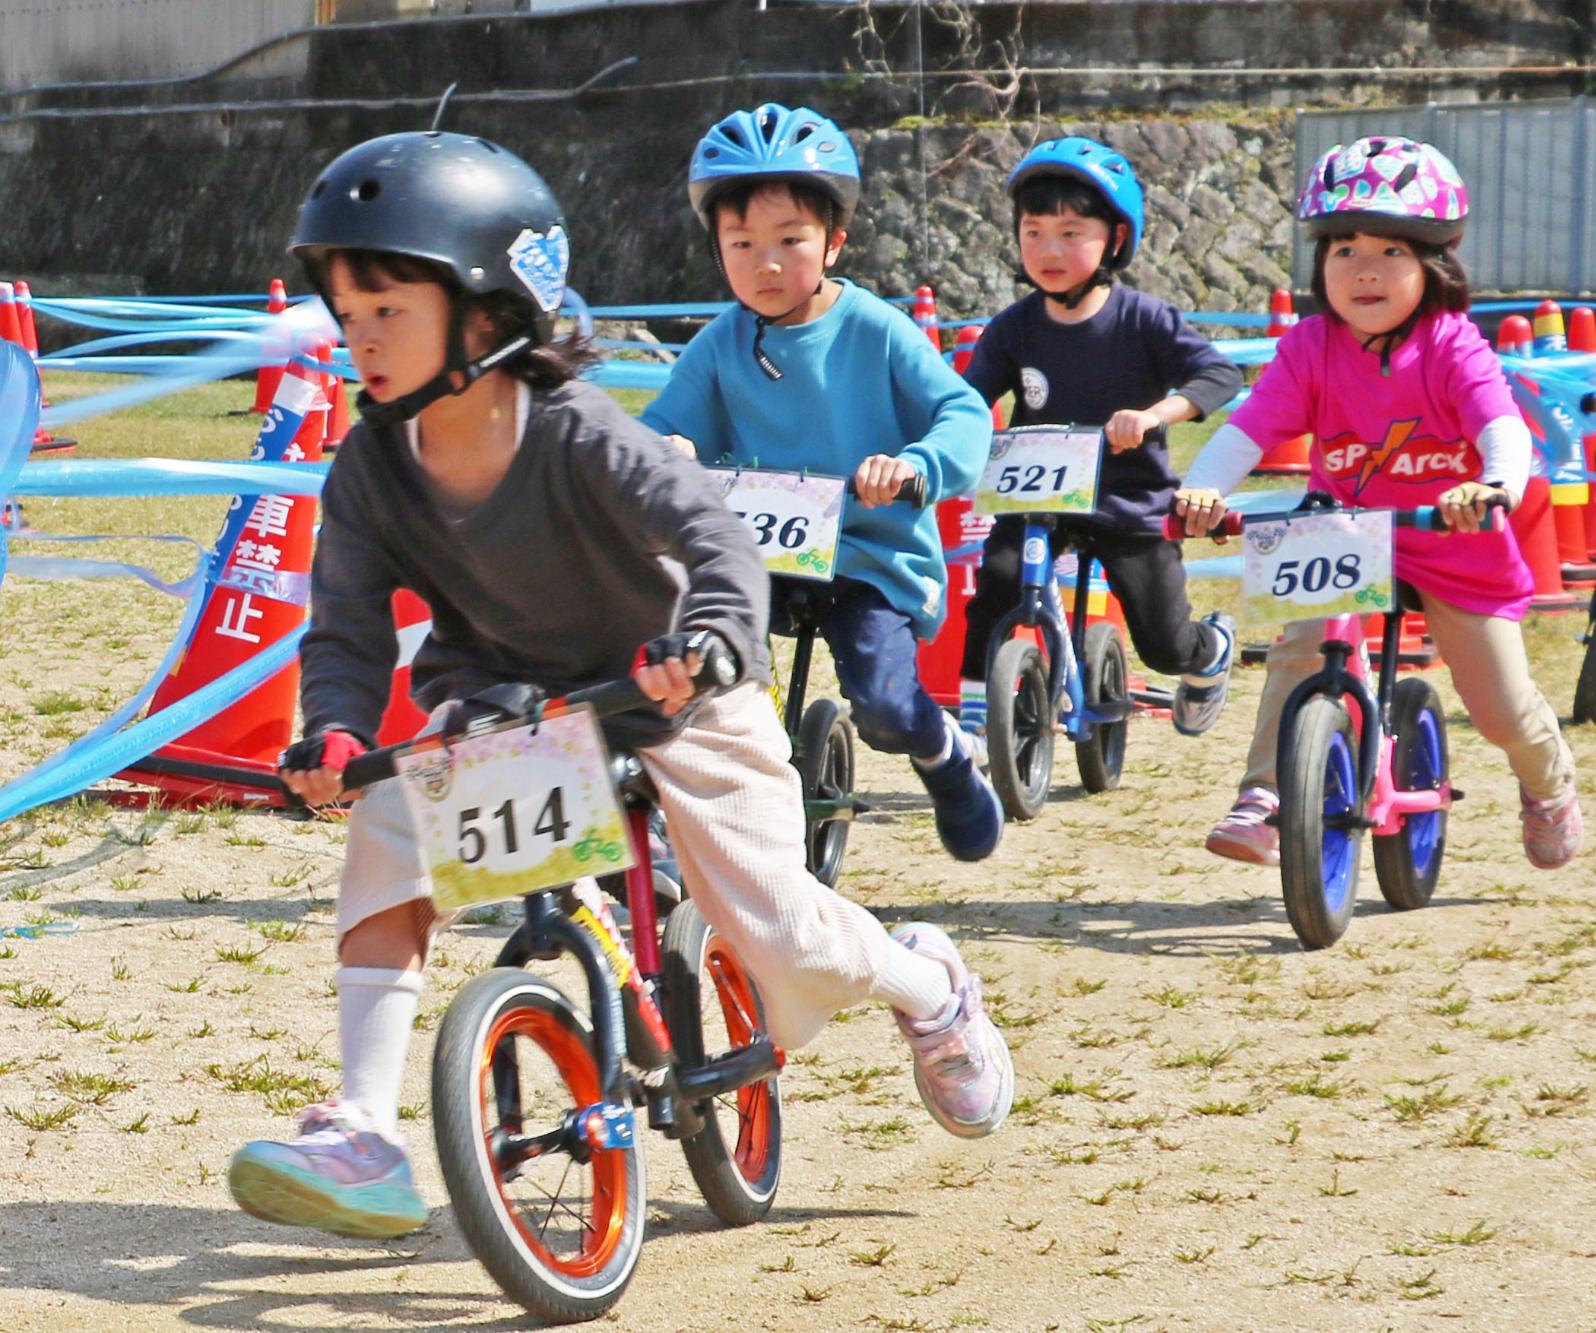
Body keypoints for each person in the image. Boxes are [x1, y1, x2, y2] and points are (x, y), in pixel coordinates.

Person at [228, 131, 1013, 1242]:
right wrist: (337, 731)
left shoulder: (572, 428)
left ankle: (926, 985)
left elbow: (710, 533)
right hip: (515, 706)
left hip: (678, 688)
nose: (361, 338)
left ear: (489, 312)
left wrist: (712, 633)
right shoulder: (369, 467)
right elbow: (346, 624)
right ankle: (362, 1127)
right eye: (346, 313)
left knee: (783, 933)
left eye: (389, 309)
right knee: (391, 828)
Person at [1175, 136, 1583, 871]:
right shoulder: (1309, 346)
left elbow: (1501, 425)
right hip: (1347, 534)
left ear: (1433, 265)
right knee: (1300, 649)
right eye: (1344, 250)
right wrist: (1201, 489)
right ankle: (1265, 795)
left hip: (1454, 542)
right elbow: (1248, 429)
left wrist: (1493, 486)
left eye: (1391, 251)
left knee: (1501, 709)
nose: (1364, 270)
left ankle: (1548, 785)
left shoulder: (1452, 344)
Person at [638, 103, 1002, 861]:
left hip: (865, 555)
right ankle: (678, 810)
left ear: (835, 241)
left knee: (885, 708)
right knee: (686, 660)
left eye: (790, 240)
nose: (765, 264)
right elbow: (658, 426)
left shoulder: (876, 328)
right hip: (752, 556)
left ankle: (945, 755)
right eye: (742, 244)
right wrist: (665, 447)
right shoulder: (720, 344)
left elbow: (962, 412)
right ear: (717, 249)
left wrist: (915, 466)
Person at [955, 136, 1245, 738]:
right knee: (998, 583)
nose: (1048, 249)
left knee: (1163, 644)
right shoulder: (1013, 328)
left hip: (1127, 500)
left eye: (1070, 233)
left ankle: (1210, 648)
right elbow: (965, 399)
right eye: (1033, 232)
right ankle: (976, 719)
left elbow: (1219, 375)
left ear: (1113, 239)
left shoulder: (1144, 318)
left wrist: (1154, 415)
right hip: (1037, 498)